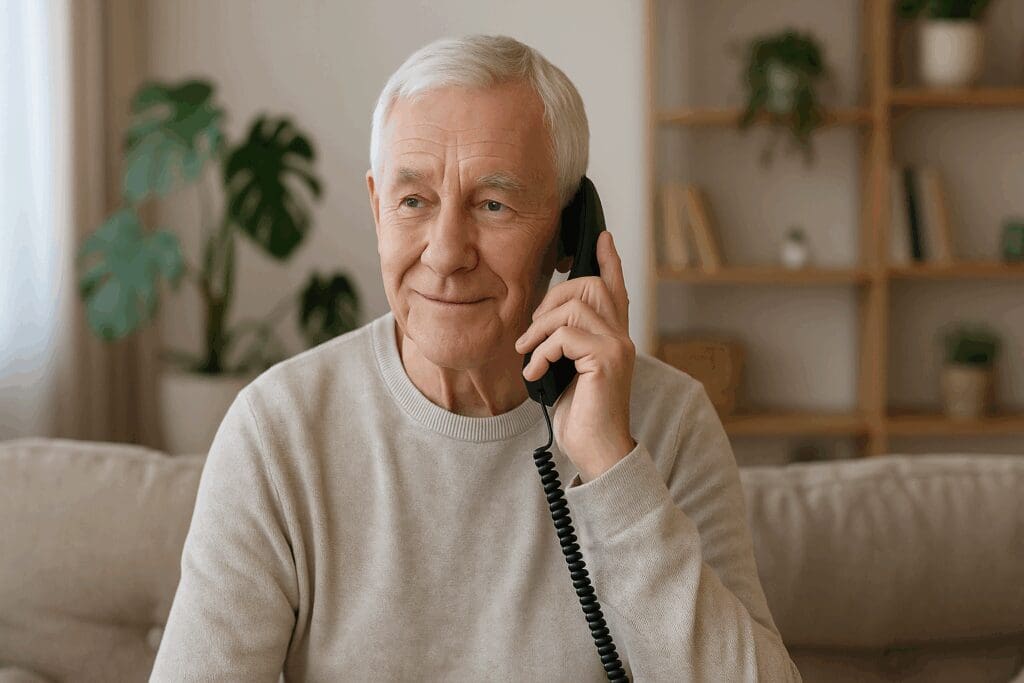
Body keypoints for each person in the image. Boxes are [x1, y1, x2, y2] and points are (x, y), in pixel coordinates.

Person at [150, 34, 801, 682]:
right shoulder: (278, 429)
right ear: (379, 210)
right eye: (414, 202)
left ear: (568, 233)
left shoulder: (672, 420)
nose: (446, 252)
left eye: (493, 204)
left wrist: (612, 465)